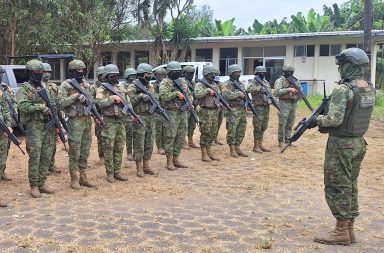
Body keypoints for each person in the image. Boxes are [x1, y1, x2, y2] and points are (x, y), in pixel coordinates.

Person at [313, 48, 375, 246]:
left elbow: (334, 119)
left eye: (341, 65)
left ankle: (341, 231)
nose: (339, 69)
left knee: (337, 185)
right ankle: (349, 230)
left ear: (348, 66)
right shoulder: (367, 87)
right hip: (358, 142)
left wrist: (317, 120)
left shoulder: (343, 89)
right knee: (350, 185)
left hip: (341, 145)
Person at [17, 59, 56, 198]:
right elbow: (22, 106)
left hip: (48, 126)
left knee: (46, 156)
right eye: (36, 72)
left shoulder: (46, 87)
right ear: (29, 73)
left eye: (41, 72)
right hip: (34, 127)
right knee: (35, 157)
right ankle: (34, 186)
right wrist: (40, 107)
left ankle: (42, 183)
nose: (39, 75)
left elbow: (53, 104)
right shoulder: (25, 88)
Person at [59, 59, 96, 189]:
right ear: (71, 71)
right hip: (75, 121)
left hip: (87, 120)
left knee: (85, 150)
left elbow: (92, 101)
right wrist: (74, 97)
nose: (80, 72)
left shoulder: (86, 85)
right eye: (77, 70)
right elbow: (61, 103)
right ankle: (74, 179)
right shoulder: (66, 85)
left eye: (82, 70)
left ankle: (83, 177)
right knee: (75, 150)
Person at [95, 64, 130, 183]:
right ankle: (110, 173)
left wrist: (130, 111)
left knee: (119, 147)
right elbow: (98, 103)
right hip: (109, 121)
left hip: (121, 121)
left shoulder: (120, 88)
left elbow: (127, 102)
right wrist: (112, 99)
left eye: (116, 74)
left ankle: (117, 172)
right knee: (109, 148)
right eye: (112, 75)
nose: (115, 77)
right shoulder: (102, 89)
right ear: (106, 76)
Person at [159, 61, 193, 170]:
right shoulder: (165, 82)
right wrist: (176, 94)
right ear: (169, 72)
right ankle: (169, 161)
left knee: (181, 136)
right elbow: (163, 96)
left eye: (178, 72)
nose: (177, 74)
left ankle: (176, 159)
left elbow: (189, 95)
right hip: (171, 112)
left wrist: (189, 103)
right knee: (170, 136)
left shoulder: (183, 81)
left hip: (182, 113)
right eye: (174, 72)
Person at [127, 63, 157, 177]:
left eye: (150, 74)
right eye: (147, 74)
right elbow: (130, 103)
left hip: (151, 117)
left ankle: (146, 165)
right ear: (140, 74)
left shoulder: (150, 86)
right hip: (139, 116)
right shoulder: (132, 87)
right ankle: (139, 167)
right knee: (139, 143)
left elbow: (156, 98)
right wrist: (140, 96)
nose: (149, 76)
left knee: (149, 142)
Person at [194, 65, 221, 162]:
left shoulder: (214, 84)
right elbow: (197, 94)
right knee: (205, 132)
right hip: (205, 111)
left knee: (213, 132)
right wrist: (207, 91)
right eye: (212, 74)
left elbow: (219, 95)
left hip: (214, 110)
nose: (214, 76)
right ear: (207, 74)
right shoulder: (200, 84)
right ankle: (204, 153)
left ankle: (209, 151)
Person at [221, 64, 248, 158]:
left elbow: (245, 96)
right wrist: (237, 94)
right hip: (232, 109)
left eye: (239, 72)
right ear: (231, 73)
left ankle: (237, 147)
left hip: (242, 109)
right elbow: (225, 95)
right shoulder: (226, 84)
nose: (238, 74)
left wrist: (247, 104)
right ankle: (232, 149)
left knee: (241, 129)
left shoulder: (241, 84)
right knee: (232, 130)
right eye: (236, 72)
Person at [274, 64, 302, 147]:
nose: (290, 73)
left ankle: (288, 139)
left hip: (293, 103)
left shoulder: (296, 80)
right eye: (288, 72)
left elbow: (300, 89)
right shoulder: (280, 80)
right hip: (283, 103)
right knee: (283, 123)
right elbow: (277, 92)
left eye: (291, 72)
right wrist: (289, 89)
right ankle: (281, 141)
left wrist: (298, 93)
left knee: (290, 122)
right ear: (284, 72)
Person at [42, 63, 62, 175]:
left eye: (49, 72)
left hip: (54, 116)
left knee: (53, 143)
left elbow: (58, 101)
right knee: (44, 144)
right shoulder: (38, 86)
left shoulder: (54, 86)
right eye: (45, 72)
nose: (47, 74)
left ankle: (51, 164)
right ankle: (44, 167)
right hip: (44, 118)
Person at [247, 66, 271, 153]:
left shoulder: (266, 82)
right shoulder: (253, 82)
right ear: (256, 74)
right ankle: (256, 146)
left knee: (264, 126)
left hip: (266, 106)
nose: (263, 74)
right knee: (257, 126)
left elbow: (269, 92)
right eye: (261, 73)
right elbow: (248, 89)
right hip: (258, 107)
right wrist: (259, 88)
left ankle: (260, 145)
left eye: (264, 73)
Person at [0, 66, 16, 181]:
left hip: (3, 125)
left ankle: (2, 171)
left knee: (4, 149)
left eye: (1, 73)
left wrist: (9, 125)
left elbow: (6, 108)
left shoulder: (4, 89)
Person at [0, 76, 12, 206]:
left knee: (1, 162)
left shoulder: (1, 92)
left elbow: (6, 110)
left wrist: (8, 125)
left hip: (2, 132)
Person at [121, 68, 137, 165]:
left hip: (136, 112)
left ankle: (135, 152)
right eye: (132, 76)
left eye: (135, 75)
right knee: (129, 133)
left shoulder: (136, 85)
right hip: (127, 113)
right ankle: (129, 153)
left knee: (136, 134)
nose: (134, 77)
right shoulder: (122, 86)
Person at [181, 65, 199, 149]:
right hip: (185, 107)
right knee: (185, 124)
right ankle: (183, 141)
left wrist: (196, 101)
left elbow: (196, 93)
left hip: (193, 106)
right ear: (184, 73)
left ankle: (190, 140)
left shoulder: (193, 83)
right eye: (189, 73)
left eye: (192, 73)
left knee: (192, 124)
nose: (191, 75)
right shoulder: (182, 82)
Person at [91, 66, 105, 165]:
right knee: (100, 137)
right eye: (102, 75)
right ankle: (102, 156)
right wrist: (95, 116)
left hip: (110, 115)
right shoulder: (93, 88)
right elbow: (91, 103)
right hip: (98, 114)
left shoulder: (109, 86)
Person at [153, 68, 166, 155]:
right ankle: (159, 147)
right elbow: (154, 96)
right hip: (157, 110)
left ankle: (164, 145)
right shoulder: (153, 86)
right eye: (158, 75)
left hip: (166, 109)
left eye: (162, 75)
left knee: (165, 129)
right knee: (158, 130)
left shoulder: (167, 85)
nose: (160, 77)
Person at [213, 70, 225, 146]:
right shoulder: (209, 85)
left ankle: (215, 138)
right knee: (213, 124)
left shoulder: (220, 84)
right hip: (214, 107)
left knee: (218, 123)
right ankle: (211, 140)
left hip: (221, 107)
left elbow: (223, 95)